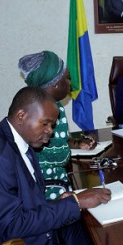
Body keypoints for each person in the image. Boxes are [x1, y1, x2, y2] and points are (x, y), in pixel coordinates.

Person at [0, 86, 111, 245]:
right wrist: (75, 202)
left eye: (52, 125)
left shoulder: (20, 141)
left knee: (97, 239)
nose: (50, 132)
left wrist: (59, 202)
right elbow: (12, 226)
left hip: (36, 235)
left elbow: (26, 203)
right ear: (21, 116)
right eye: (45, 123)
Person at [18, 51, 96, 200]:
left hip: (55, 179)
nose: (70, 83)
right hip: (46, 188)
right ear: (54, 84)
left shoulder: (53, 105)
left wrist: (77, 143)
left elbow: (57, 141)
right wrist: (65, 152)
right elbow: (59, 156)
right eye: (67, 78)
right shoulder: (44, 111)